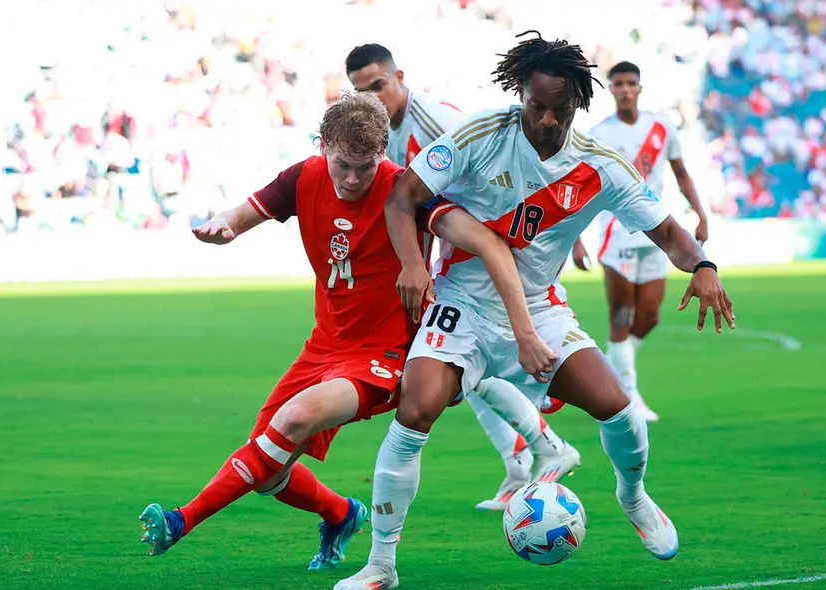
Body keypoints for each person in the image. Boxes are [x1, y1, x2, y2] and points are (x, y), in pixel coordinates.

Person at [336, 32, 734, 589]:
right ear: (518, 91)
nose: (547, 119)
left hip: (542, 309)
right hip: (462, 305)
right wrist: (412, 265)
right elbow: (404, 196)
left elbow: (668, 231)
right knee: (414, 412)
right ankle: (380, 565)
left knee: (618, 408)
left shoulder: (602, 166)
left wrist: (704, 267)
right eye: (537, 105)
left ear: (579, 104)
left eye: (561, 109)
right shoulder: (480, 132)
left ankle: (634, 495)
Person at [136, 92, 538, 571]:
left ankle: (182, 519)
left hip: (384, 355)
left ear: (382, 156)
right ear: (322, 144)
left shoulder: (403, 192)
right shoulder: (302, 177)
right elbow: (243, 215)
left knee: (293, 419)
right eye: (343, 164)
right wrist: (224, 225)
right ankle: (341, 512)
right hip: (323, 345)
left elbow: (482, 240)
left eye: (365, 168)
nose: (352, 179)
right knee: (266, 470)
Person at [345, 43, 580, 511]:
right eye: (360, 92)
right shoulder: (381, 130)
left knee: (461, 362)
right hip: (449, 256)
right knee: (458, 365)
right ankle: (521, 458)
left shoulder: (437, 121)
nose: (372, 98)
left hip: (483, 260)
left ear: (399, 77)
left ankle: (545, 445)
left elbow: (499, 178)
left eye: (378, 86)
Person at [571, 61, 709, 422]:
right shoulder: (598, 134)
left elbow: (681, 174)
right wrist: (576, 240)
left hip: (655, 233)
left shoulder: (661, 127)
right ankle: (628, 397)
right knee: (621, 315)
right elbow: (579, 187)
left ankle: (611, 365)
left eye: (631, 83)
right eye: (619, 84)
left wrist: (700, 213)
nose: (626, 89)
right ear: (611, 89)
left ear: (640, 88)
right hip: (615, 235)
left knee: (648, 316)